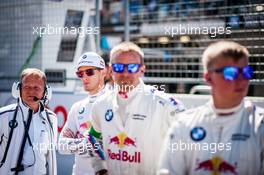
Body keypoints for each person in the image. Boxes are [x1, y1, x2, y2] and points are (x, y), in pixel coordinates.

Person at [158, 41, 264, 175]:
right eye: (230, 73)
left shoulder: (260, 126)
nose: (241, 79)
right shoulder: (184, 125)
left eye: (246, 72)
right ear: (208, 78)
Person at [88, 41, 185, 175]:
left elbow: (187, 145)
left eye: (132, 67)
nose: (125, 73)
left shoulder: (165, 105)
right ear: (110, 70)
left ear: (142, 69)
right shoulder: (100, 105)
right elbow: (93, 137)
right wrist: (101, 168)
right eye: (119, 67)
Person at [0, 68, 57, 175]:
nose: (31, 91)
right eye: (26, 87)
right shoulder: (3, 116)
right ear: (18, 89)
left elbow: (50, 156)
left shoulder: (51, 118)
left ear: (46, 91)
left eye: (36, 87)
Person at [58, 52, 108, 175]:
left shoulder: (114, 103)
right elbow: (61, 146)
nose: (84, 77)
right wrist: (86, 144)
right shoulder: (77, 107)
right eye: (80, 73)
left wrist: (77, 143)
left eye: (89, 72)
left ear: (103, 73)